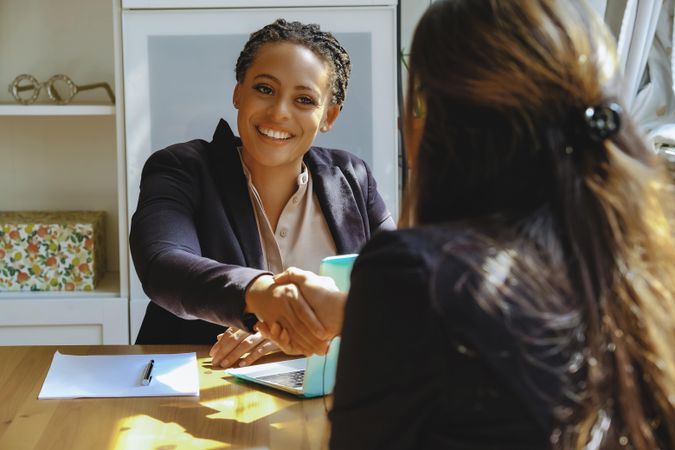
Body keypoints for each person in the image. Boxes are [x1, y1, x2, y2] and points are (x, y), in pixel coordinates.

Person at [263, 1, 675, 449]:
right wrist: (351, 312)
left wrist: (367, 312)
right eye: (265, 90)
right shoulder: (641, 266)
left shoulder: (407, 267)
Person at [129, 19, 394, 365]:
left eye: (303, 99)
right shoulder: (181, 168)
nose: (279, 112)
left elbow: (394, 290)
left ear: (328, 116)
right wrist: (263, 296)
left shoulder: (354, 178)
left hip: (325, 395)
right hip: (199, 384)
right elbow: (163, 266)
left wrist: (292, 337)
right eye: (265, 89)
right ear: (238, 93)